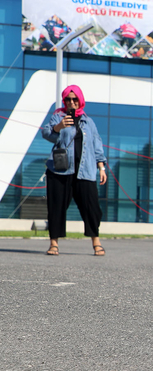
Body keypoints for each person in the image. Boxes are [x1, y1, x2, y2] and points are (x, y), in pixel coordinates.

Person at [42, 85, 108, 256]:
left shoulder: (88, 121)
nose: (71, 102)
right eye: (68, 99)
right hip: (60, 171)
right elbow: (46, 133)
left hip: (84, 171)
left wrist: (101, 167)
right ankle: (54, 244)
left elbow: (97, 145)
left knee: (92, 208)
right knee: (56, 207)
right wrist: (59, 127)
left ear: (80, 100)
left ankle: (96, 242)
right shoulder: (58, 116)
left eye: (75, 99)